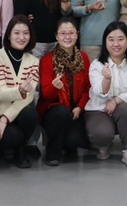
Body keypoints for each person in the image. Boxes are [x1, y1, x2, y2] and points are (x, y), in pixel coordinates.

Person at [0, 15, 39, 169]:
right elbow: (0, 93)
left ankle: (21, 152)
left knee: (30, 114)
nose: (21, 37)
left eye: (26, 33)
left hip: (14, 112)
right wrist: (19, 90)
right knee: (12, 137)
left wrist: (5, 119)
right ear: (8, 35)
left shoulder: (33, 61)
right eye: (16, 33)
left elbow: (27, 97)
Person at [83, 21, 127, 167]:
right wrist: (107, 79)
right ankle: (104, 143)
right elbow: (99, 92)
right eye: (111, 39)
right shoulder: (97, 65)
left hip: (121, 110)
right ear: (105, 42)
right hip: (99, 109)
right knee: (102, 134)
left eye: (121, 39)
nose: (116, 44)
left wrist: (116, 100)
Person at [37, 17, 91, 166]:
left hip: (75, 110)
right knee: (61, 113)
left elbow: (87, 88)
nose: (67, 37)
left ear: (77, 34)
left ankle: (67, 143)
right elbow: (46, 95)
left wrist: (79, 107)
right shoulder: (47, 60)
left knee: (75, 142)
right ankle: (52, 154)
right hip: (55, 111)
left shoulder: (84, 57)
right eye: (63, 33)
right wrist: (55, 87)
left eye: (71, 33)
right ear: (56, 36)